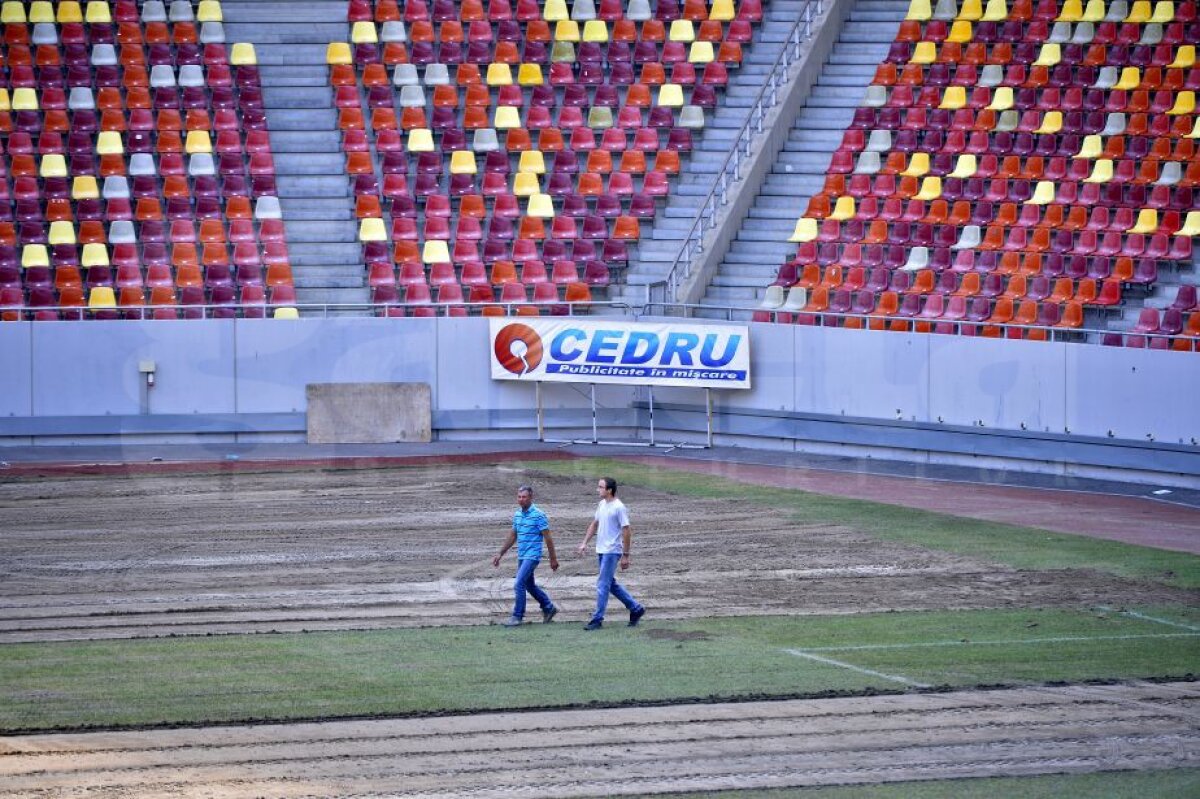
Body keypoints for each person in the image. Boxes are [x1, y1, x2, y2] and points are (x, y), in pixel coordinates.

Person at [577, 476, 644, 631]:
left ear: (609, 490)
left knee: (602, 584)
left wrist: (626, 555)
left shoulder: (619, 507)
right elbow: (594, 524)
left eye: (601, 487)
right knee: (610, 584)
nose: (598, 490)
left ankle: (597, 619)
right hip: (601, 550)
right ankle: (636, 608)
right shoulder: (602, 504)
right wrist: (584, 542)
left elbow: (626, 530)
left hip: (612, 551)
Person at [493, 484, 558, 627]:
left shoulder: (539, 515)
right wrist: (500, 553)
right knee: (529, 585)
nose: (521, 500)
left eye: (524, 497)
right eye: (519, 497)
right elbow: (513, 536)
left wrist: (553, 559)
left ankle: (517, 616)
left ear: (531, 497)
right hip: (522, 556)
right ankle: (548, 607)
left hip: (532, 556)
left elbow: (548, 538)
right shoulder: (517, 515)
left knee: (519, 584)